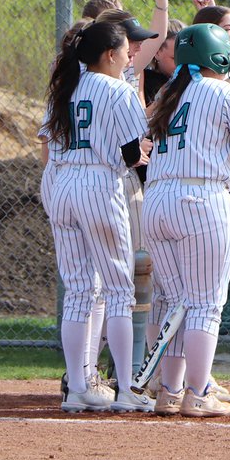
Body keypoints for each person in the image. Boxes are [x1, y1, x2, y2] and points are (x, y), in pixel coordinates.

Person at [142, 23, 230, 417]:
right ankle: (199, 390)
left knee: (176, 301)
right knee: (204, 303)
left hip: (157, 199)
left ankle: (169, 391)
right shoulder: (222, 90)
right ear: (219, 57)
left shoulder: (169, 92)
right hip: (201, 198)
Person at [42, 20, 153, 413]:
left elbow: (51, 142)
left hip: (59, 183)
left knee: (78, 291)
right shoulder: (119, 89)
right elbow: (132, 150)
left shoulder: (63, 88)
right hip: (97, 184)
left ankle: (77, 388)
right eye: (125, 50)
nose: (128, 56)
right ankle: (126, 389)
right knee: (119, 291)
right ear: (110, 54)